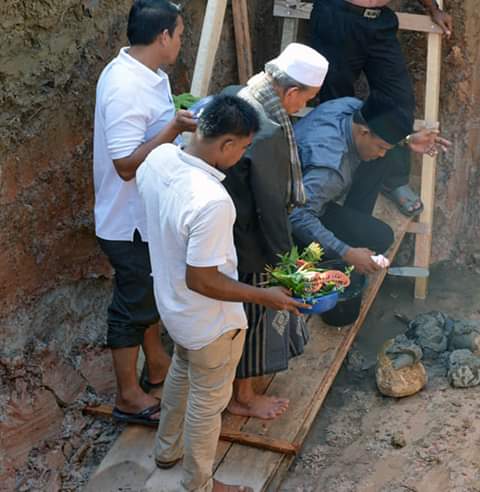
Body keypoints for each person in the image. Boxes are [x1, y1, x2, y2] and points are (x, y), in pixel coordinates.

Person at [137, 95, 306, 492]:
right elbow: (204, 280)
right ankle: (200, 484)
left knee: (181, 370)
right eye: (244, 147)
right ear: (226, 144)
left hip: (173, 307)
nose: (244, 155)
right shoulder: (213, 201)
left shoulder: (159, 160)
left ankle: (166, 450)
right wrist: (268, 296)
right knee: (207, 405)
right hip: (209, 321)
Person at [92, 0, 197, 426]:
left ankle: (156, 365)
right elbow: (125, 165)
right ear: (163, 37)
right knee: (131, 306)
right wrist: (175, 129)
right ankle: (128, 396)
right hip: (127, 220)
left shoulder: (148, 73)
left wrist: (173, 120)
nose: (181, 42)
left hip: (146, 213)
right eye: (180, 34)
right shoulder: (124, 87)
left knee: (149, 293)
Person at [218, 43, 330, 420]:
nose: (301, 108)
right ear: (291, 92)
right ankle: (243, 397)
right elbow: (269, 200)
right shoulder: (264, 131)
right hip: (249, 237)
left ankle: (240, 390)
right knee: (252, 316)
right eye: (305, 100)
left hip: (232, 228)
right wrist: (286, 260)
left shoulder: (241, 93)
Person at [309, 0, 453, 218]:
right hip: (337, 15)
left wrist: (433, 9)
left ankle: (394, 179)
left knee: (398, 100)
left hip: (379, 21)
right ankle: (335, 179)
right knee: (336, 101)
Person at [289, 92, 450, 275]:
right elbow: (297, 216)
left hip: (305, 189)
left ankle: (353, 239)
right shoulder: (329, 171)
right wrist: (346, 252)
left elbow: (379, 137)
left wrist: (406, 140)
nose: (382, 152)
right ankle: (336, 280)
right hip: (289, 220)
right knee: (380, 237)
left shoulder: (348, 107)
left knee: (384, 158)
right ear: (364, 132)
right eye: (381, 146)